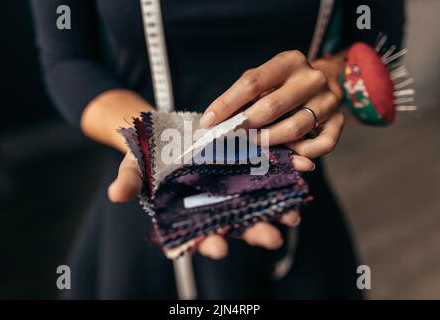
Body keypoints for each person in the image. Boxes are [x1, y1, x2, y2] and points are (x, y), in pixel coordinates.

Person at [31, 0, 404, 299]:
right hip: (146, 212)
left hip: (292, 201)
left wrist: (332, 80)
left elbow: (381, 47)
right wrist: (155, 142)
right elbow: (67, 61)